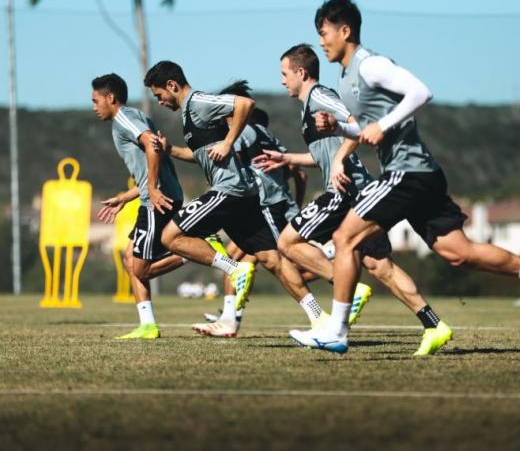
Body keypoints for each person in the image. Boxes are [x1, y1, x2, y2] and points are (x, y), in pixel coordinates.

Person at [290, 0, 520, 355]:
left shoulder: (370, 65)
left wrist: (383, 123)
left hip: (407, 173)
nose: (321, 41)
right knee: (460, 253)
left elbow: (421, 92)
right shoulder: (347, 79)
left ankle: (335, 330)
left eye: (324, 33)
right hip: (421, 175)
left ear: (344, 30)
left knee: (345, 236)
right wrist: (339, 129)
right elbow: (368, 131)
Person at [255, 44, 450, 353]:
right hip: (360, 192)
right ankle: (434, 325)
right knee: (380, 266)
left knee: (287, 242)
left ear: (300, 73)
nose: (282, 81)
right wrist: (286, 158)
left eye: (284, 74)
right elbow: (325, 152)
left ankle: (348, 290)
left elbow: (356, 125)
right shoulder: (308, 105)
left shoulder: (320, 96)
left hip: (343, 192)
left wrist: (340, 159)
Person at [143, 61, 323, 336]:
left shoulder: (198, 102)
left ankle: (234, 269)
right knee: (273, 259)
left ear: (172, 85)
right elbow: (202, 155)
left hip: (230, 190)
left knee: (170, 237)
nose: (160, 101)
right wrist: (171, 150)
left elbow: (244, 105)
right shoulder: (189, 114)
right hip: (244, 195)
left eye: (159, 95)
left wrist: (229, 142)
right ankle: (320, 317)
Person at [92, 73, 186, 340]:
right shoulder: (132, 116)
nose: (94, 106)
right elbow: (146, 167)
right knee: (130, 259)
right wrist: (125, 197)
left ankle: (191, 251)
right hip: (154, 196)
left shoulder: (124, 118)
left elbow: (152, 145)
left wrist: (153, 190)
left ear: (111, 98)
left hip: (157, 200)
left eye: (96, 100)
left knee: (139, 267)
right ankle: (147, 325)